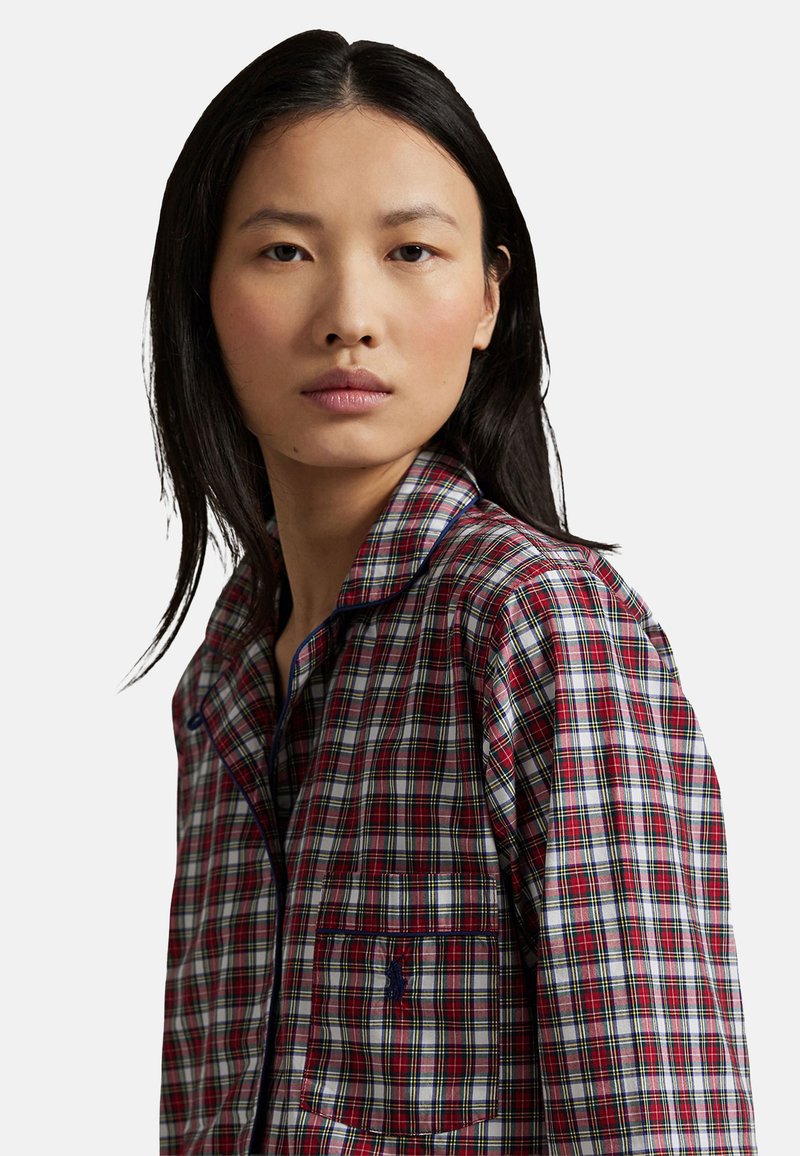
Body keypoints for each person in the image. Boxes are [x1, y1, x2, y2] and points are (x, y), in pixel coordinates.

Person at [139, 28, 758, 1155]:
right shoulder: (223, 679)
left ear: (487, 298)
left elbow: (661, 1120)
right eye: (284, 251)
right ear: (201, 296)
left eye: (411, 250)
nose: (348, 315)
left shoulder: (538, 621)